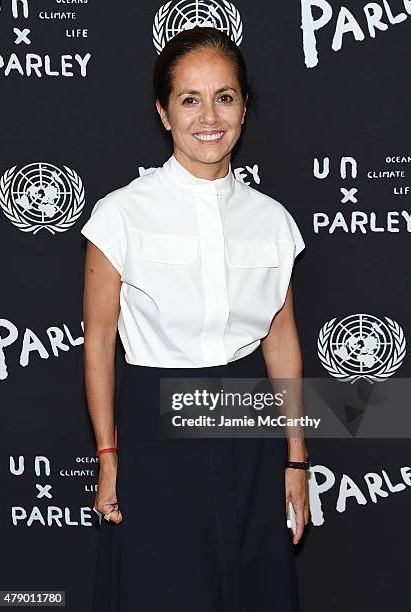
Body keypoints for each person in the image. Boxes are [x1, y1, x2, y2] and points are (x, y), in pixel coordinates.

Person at [81, 26, 309, 612]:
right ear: (163, 112)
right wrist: (109, 458)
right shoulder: (120, 216)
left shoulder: (272, 220)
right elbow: (100, 343)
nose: (209, 116)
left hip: (249, 425)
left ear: (243, 108)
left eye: (224, 97)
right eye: (190, 99)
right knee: (162, 590)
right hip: (155, 428)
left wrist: (296, 457)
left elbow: (280, 341)